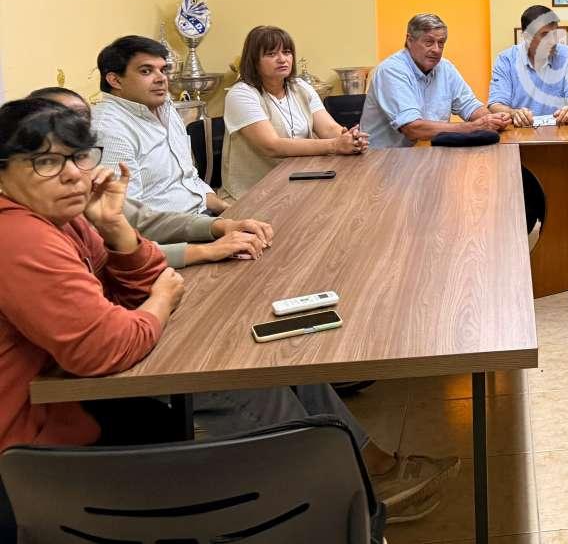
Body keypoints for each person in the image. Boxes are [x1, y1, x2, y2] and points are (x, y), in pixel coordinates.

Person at [0, 99, 454, 539]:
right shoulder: (21, 236)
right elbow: (108, 345)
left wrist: (118, 231)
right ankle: (342, 507)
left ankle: (365, 473)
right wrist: (161, 300)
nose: (72, 175)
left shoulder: (67, 218)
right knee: (242, 377)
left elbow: (135, 287)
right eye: (46, 162)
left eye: (79, 157)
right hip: (38, 434)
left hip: (76, 396)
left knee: (266, 352)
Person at [30, 87, 272, 270]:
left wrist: (219, 226)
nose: (78, 129)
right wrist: (204, 251)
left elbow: (143, 219)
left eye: (84, 118)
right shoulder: (36, 220)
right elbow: (108, 257)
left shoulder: (86, 175)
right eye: (47, 161)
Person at [222, 25, 368, 200]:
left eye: (287, 52)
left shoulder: (300, 87)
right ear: (253, 61)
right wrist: (335, 145)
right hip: (256, 194)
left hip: (302, 183)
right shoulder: (241, 94)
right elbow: (272, 146)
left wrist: (350, 138)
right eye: (271, 54)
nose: (282, 59)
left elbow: (328, 128)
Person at [92, 36, 227, 216]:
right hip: (172, 231)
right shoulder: (109, 130)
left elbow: (189, 178)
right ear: (115, 80)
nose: (161, 78)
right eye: (146, 71)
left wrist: (227, 210)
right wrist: (213, 227)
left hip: (203, 215)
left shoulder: (165, 108)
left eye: (163, 70)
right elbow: (129, 216)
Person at [488, 6, 568, 232]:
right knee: (525, 196)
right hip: (519, 149)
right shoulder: (506, 59)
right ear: (526, 36)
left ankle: (552, 231)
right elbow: (495, 103)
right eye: (544, 34)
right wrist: (514, 113)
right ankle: (531, 227)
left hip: (558, 147)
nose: (552, 40)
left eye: (554, 32)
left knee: (560, 196)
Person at [361, 13, 510, 149]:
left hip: (427, 154)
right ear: (410, 40)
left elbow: (469, 105)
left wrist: (492, 119)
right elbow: (412, 128)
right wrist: (473, 127)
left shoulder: (445, 68)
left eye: (441, 43)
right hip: (385, 160)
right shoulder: (392, 70)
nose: (436, 50)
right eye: (429, 42)